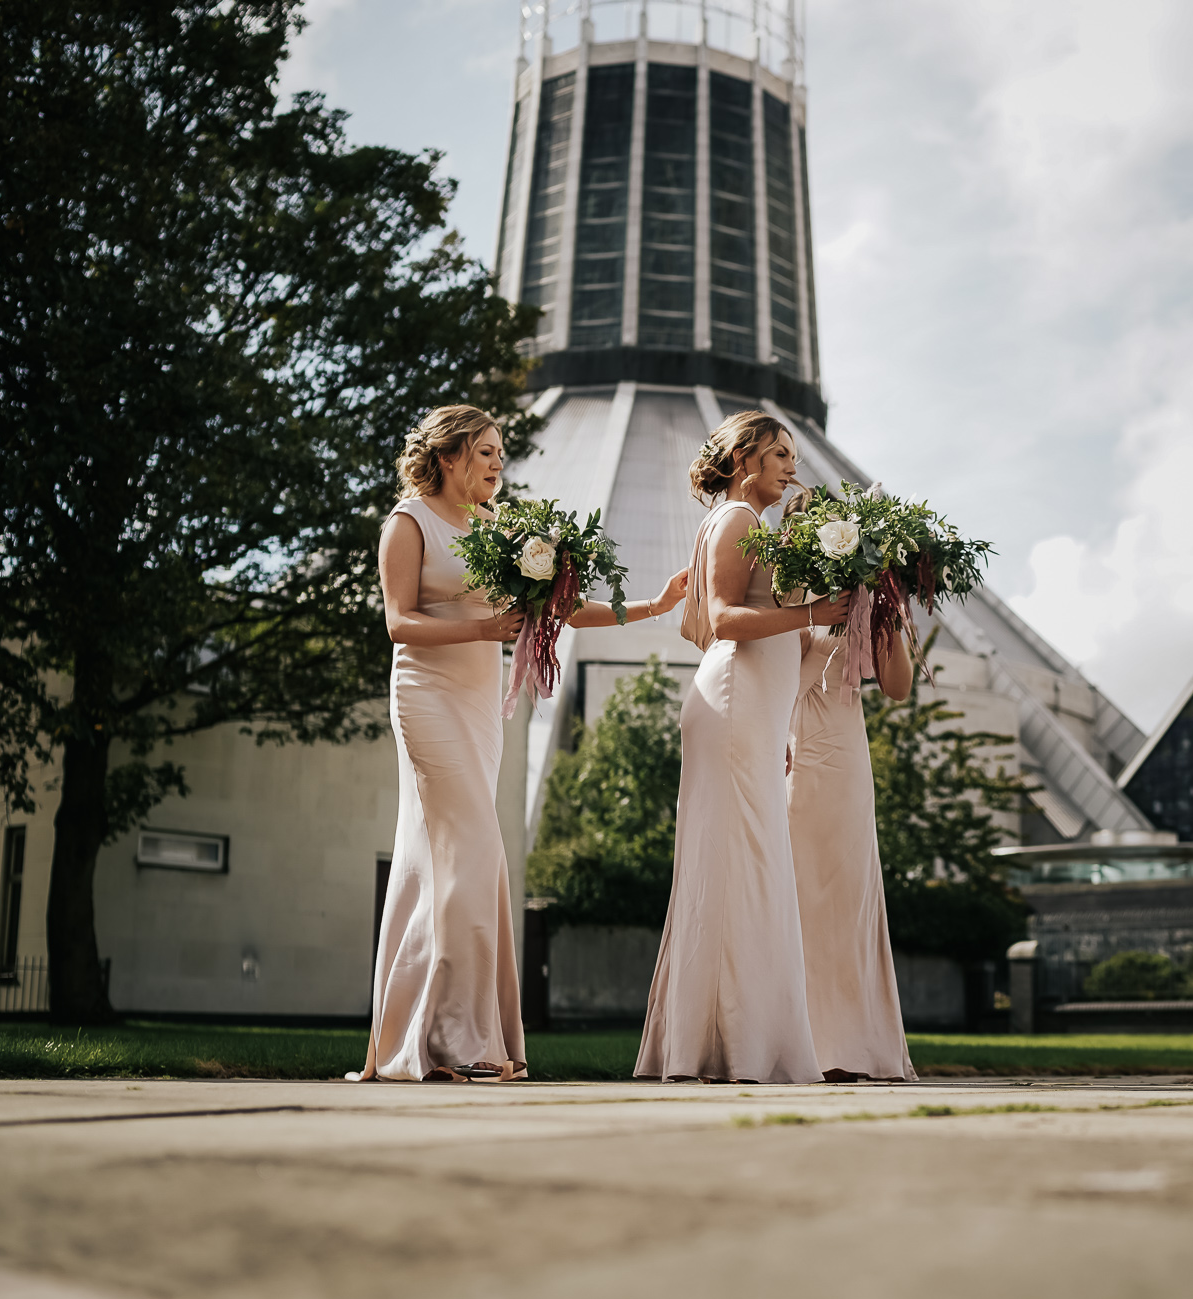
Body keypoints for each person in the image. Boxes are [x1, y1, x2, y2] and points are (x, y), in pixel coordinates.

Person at [356, 404, 687, 1083]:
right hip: (426, 696)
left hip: (480, 706)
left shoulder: (499, 531)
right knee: (474, 852)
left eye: (499, 452)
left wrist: (652, 605)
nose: (497, 463)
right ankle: (453, 1037)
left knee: (446, 861)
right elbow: (399, 623)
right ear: (448, 456)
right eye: (485, 452)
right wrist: (483, 631)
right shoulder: (408, 522)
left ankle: (435, 1033)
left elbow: (559, 608)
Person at [634, 411, 851, 1083]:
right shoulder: (736, 522)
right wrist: (815, 614)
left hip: (748, 708)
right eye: (780, 453)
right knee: (740, 862)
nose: (792, 466)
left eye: (793, 455)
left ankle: (737, 1037)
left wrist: (773, 716)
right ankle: (729, 1041)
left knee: (748, 860)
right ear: (743, 459)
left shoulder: (748, 524)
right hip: (732, 701)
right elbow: (723, 621)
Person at [786, 496, 920, 1081]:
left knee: (845, 891)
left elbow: (896, 688)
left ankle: (852, 1047)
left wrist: (889, 609)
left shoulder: (865, 597)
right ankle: (799, 1044)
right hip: (787, 742)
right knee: (794, 894)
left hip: (842, 751)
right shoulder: (783, 592)